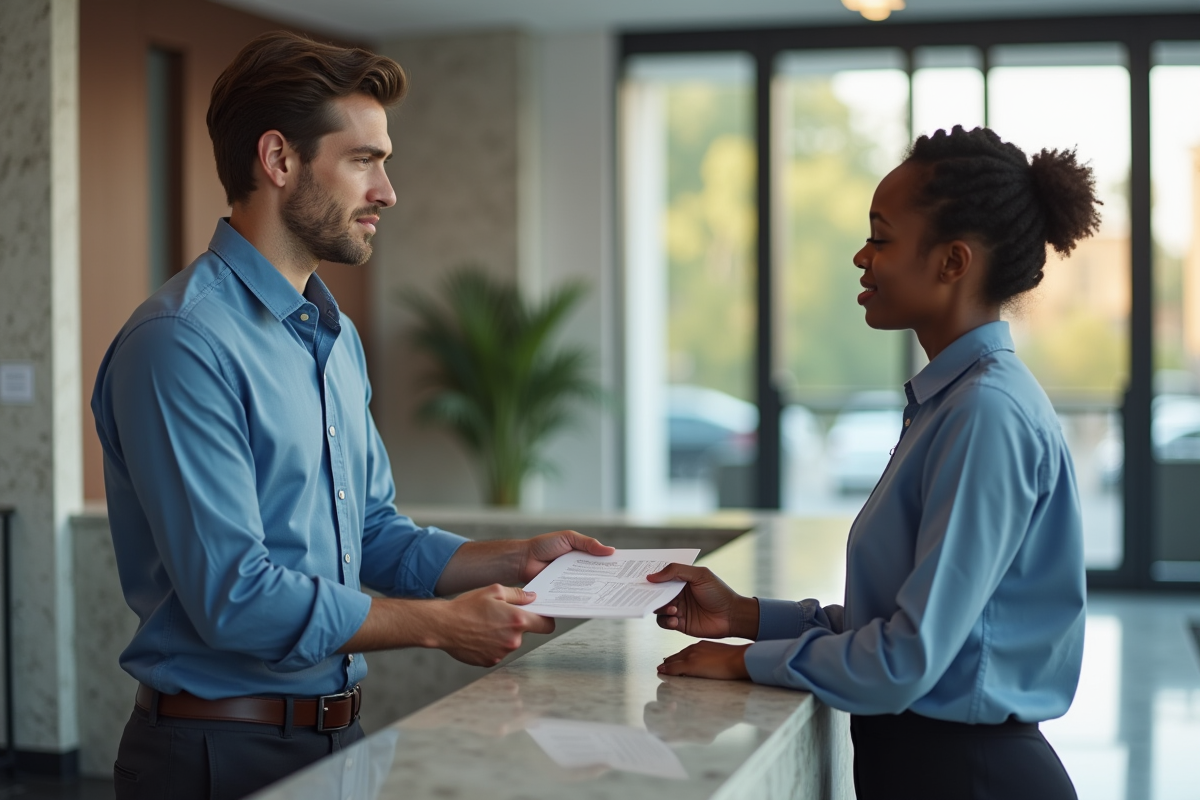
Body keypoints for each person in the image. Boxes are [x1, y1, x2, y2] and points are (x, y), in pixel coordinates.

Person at [91, 31, 612, 800]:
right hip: (213, 756)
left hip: (337, 744)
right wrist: (439, 624)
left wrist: (510, 559)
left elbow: (371, 534)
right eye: (364, 160)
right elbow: (236, 597)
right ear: (278, 160)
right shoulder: (181, 345)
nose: (388, 191)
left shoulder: (332, 340)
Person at [648, 125, 1098, 800]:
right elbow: (890, 622)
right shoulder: (952, 403)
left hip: (970, 778)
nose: (862, 256)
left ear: (952, 262)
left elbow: (906, 658)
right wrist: (744, 616)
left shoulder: (985, 414)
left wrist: (746, 665)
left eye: (881, 237)